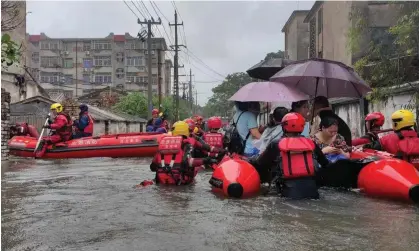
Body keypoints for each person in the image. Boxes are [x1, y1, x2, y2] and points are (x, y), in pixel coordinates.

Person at [249, 112, 329, 199]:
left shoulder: (276, 144)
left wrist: (249, 160)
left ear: (284, 126)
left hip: (288, 193)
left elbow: (260, 162)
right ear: (302, 127)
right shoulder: (311, 144)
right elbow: (325, 163)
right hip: (313, 192)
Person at [148, 121, 219, 185]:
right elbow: (189, 162)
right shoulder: (187, 144)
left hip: (162, 180)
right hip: (180, 181)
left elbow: (152, 167)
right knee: (196, 168)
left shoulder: (163, 144)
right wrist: (207, 160)